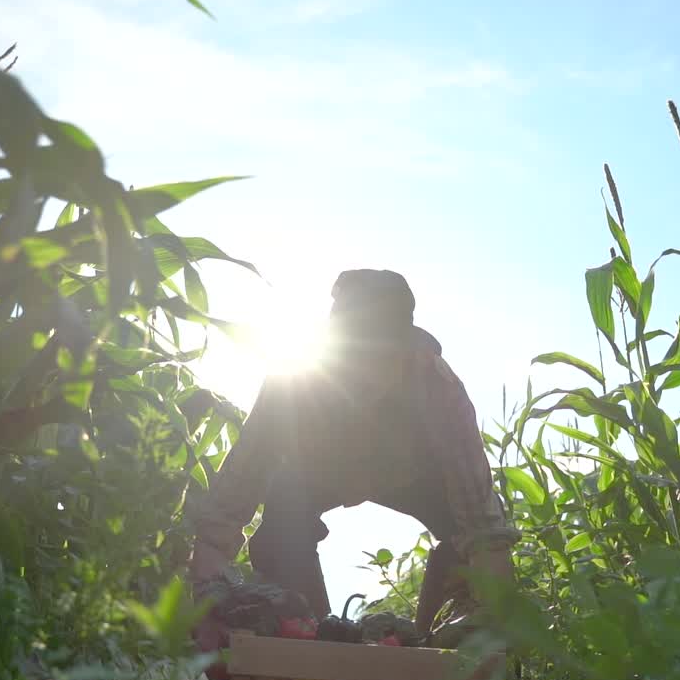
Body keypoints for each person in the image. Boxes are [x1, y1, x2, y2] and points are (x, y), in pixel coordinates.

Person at [186, 269, 518, 645]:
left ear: (404, 352)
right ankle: (311, 639)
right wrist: (207, 596)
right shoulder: (292, 381)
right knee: (280, 528)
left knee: (471, 557)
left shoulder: (438, 387)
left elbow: (481, 523)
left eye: (378, 357)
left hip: (414, 476)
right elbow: (231, 499)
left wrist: (492, 614)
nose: (364, 373)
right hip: (315, 474)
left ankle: (429, 648)